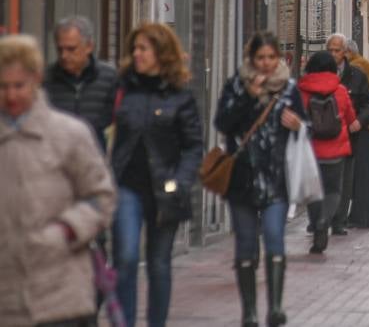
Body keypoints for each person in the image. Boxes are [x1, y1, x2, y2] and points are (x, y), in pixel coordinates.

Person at [0, 34, 116, 327]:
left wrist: (66, 230)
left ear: (36, 80)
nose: (11, 96)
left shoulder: (69, 134)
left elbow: (101, 196)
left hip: (60, 294)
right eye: (3, 87)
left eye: (19, 86)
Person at [110, 23, 204, 327]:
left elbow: (193, 147)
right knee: (124, 257)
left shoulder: (180, 96)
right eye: (134, 48)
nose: (136, 54)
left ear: (160, 54)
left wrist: (181, 182)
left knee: (159, 264)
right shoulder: (122, 89)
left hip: (165, 189)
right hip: (126, 186)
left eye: (143, 49)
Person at [215, 32, 304, 327]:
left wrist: (297, 125)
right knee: (246, 243)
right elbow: (222, 123)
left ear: (278, 58)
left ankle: (275, 308)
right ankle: (250, 312)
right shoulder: (237, 86)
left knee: (275, 237)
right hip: (241, 177)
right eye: (260, 58)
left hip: (276, 177)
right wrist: (248, 98)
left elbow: (305, 128)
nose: (265, 64)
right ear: (251, 60)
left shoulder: (289, 89)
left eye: (270, 57)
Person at [297, 50, 357, 255]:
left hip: (310, 150)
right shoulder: (340, 90)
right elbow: (350, 117)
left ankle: (316, 224)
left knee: (313, 191)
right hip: (336, 150)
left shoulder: (302, 90)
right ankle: (324, 220)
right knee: (333, 191)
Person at [43, 14, 119, 149]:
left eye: (71, 49)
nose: (64, 56)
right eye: (60, 49)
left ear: (89, 46)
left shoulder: (110, 78)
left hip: (94, 156)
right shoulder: (46, 79)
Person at [325, 33, 369, 235]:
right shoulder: (317, 72)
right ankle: (321, 217)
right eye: (330, 50)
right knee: (324, 180)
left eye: (337, 50)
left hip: (347, 137)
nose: (333, 54)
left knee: (345, 180)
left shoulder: (356, 75)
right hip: (322, 137)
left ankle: (339, 220)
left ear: (345, 53)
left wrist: (359, 121)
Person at [344, 38, 369, 230]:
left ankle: (360, 217)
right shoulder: (368, 67)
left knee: (361, 175)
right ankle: (365, 217)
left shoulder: (357, 69)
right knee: (366, 175)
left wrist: (359, 120)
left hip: (363, 128)